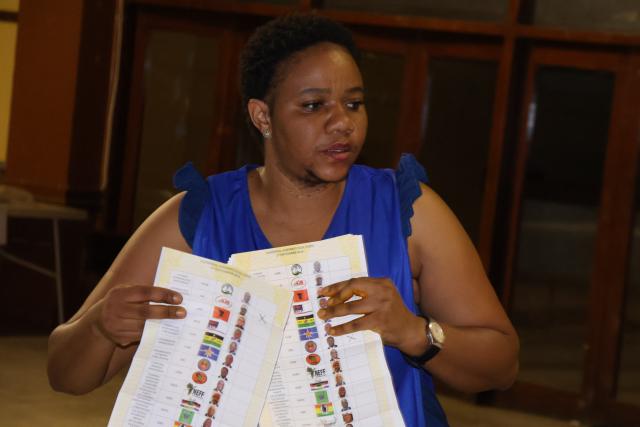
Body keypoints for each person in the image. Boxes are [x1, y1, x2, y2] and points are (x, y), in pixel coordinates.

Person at [47, 13, 518, 426]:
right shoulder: (196, 219)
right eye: (314, 106)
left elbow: (501, 363)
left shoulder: (408, 211)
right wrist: (100, 328)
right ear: (263, 116)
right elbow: (64, 374)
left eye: (354, 103)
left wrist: (417, 332)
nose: (342, 123)